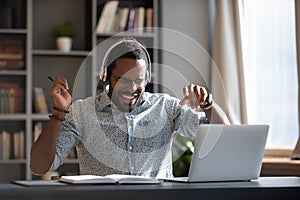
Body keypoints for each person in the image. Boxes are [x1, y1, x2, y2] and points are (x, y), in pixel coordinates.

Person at [30, 39, 228, 178]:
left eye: (139, 81)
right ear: (106, 76)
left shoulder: (167, 107)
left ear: (148, 79)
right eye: (123, 80)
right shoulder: (82, 112)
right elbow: (39, 167)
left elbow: (223, 138)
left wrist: (208, 104)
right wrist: (59, 112)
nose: (132, 88)